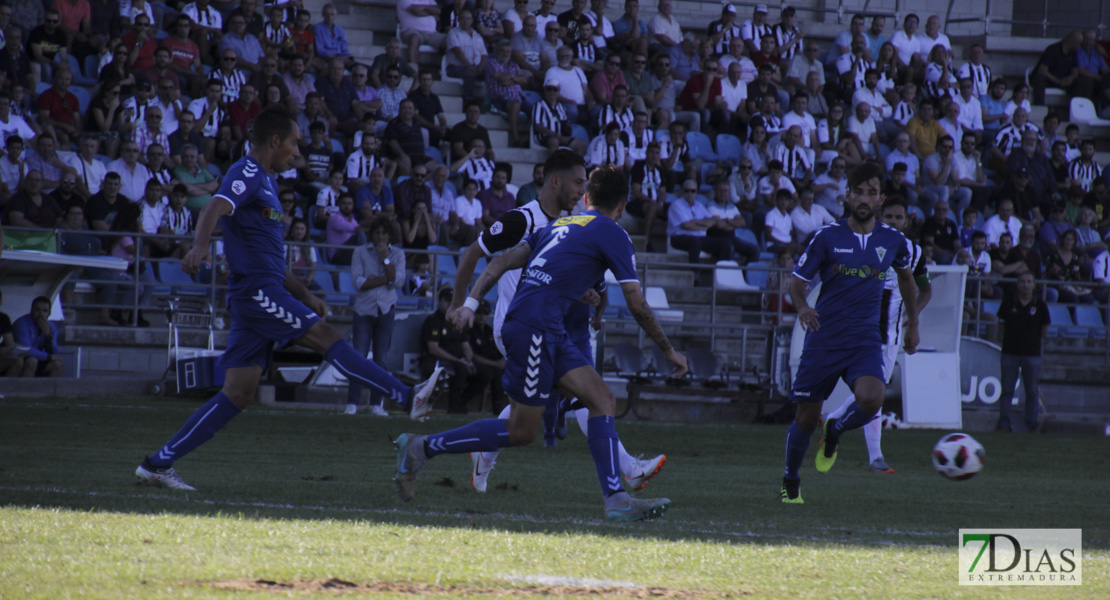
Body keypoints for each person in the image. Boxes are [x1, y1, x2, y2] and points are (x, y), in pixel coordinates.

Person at [133, 106, 444, 491]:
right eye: (294, 143)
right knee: (327, 338)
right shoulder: (246, 172)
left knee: (238, 392)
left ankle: (158, 464)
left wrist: (306, 293)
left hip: (265, 291)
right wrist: (198, 247)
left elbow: (271, 260)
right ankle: (406, 395)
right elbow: (214, 206)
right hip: (256, 292)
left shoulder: (266, 183)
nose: (297, 152)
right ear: (275, 141)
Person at [396, 164, 685, 521]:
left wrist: (471, 303)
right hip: (534, 327)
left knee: (601, 399)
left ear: (585, 197)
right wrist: (669, 350)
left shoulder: (558, 225)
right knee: (521, 431)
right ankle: (420, 447)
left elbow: (500, 262)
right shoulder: (613, 233)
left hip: (545, 327)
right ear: (623, 205)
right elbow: (637, 303)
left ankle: (616, 499)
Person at [445, 151, 667, 494]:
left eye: (584, 184)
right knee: (581, 397)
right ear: (555, 181)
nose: (582, 191)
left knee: (550, 404)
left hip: (553, 323)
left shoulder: (569, 223)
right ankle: (625, 471)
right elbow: (475, 254)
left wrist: (587, 297)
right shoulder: (522, 220)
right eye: (578, 182)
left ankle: (478, 452)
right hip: (520, 322)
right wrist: (463, 305)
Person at [781, 162, 919, 503]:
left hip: (864, 340)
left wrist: (913, 323)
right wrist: (802, 307)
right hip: (824, 339)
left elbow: (907, 280)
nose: (864, 198)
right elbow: (796, 283)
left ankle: (836, 430)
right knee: (805, 417)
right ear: (846, 196)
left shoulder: (893, 241)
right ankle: (791, 481)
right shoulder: (827, 237)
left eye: (871, 193)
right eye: (858, 191)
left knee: (872, 400)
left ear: (880, 199)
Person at [823, 196, 931, 473]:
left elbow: (925, 289)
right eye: (889, 217)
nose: (894, 222)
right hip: (858, 329)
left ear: (907, 222)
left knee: (873, 394)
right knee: (874, 393)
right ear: (881, 218)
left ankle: (833, 421)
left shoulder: (914, 252)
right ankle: (875, 457)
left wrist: (913, 318)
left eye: (899, 218)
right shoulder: (865, 245)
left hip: (889, 334)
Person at [346, 216, 406, 416]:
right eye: (377, 233)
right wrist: (384, 279)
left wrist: (384, 258)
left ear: (389, 236)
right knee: (358, 356)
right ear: (371, 234)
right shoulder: (360, 252)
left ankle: (376, 404)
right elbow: (359, 283)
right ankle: (352, 403)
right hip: (364, 310)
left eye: (384, 233)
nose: (380, 237)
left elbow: (397, 282)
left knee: (381, 359)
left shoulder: (397, 254)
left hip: (386, 309)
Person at [995, 272, 1049, 433]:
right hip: (1010, 352)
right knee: (1007, 390)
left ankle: (1032, 423)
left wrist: (1030, 340)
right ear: (1017, 284)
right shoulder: (1008, 302)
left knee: (1032, 391)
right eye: (1022, 281)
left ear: (1034, 285)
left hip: (1032, 354)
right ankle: (1004, 423)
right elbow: (1001, 325)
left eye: (1028, 281)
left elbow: (1044, 329)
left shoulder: (1040, 305)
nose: (1025, 285)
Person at [12, 296, 64, 378]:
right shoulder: (22, 323)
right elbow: (26, 350)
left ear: (49, 313)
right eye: (37, 310)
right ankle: (24, 390)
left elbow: (55, 352)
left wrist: (48, 336)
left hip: (41, 359)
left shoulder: (51, 327)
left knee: (58, 364)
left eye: (45, 311)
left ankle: (50, 390)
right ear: (31, 310)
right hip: (22, 360)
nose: (41, 314)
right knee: (32, 361)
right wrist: (49, 357)